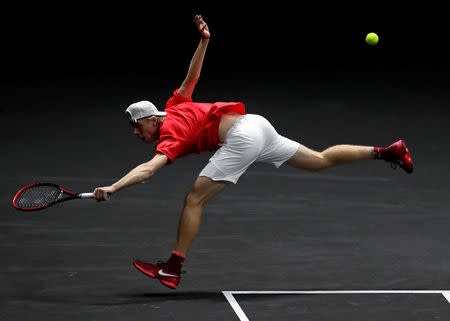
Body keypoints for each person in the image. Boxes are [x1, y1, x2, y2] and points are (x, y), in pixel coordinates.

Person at [92, 15, 413, 289]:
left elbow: (149, 170)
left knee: (194, 199)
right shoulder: (175, 105)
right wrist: (204, 41)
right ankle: (388, 152)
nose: (137, 133)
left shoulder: (171, 131)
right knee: (319, 160)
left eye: (137, 127)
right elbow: (192, 77)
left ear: (151, 119)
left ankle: (172, 269)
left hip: (242, 138)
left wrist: (114, 187)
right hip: (256, 124)